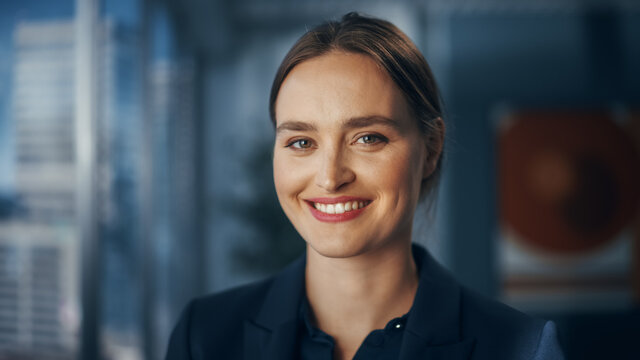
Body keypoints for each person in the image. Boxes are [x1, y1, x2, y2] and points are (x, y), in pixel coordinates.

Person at [165, 12, 564, 360]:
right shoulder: (204, 337)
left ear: (430, 149)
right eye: (301, 142)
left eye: (368, 138)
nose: (329, 176)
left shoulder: (521, 349)